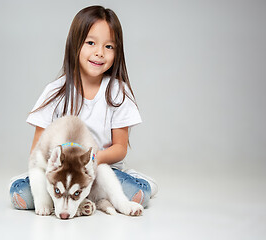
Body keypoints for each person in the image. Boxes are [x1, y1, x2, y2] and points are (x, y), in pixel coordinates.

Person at [10, 5, 158, 211]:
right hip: (63, 174)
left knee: (137, 193)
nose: (99, 53)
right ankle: (82, 202)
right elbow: (37, 150)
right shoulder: (56, 91)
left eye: (109, 47)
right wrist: (51, 168)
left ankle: (136, 181)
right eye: (91, 43)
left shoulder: (117, 91)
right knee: (21, 193)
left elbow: (120, 148)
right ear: (75, 45)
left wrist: (91, 162)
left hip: (102, 169)